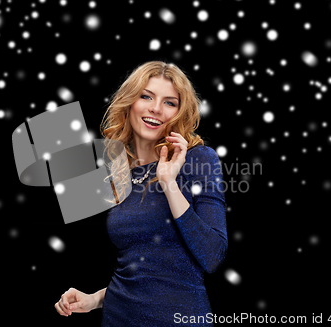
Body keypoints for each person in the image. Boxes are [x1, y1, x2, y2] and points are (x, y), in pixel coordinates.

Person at [54, 61, 228, 326]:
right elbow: (140, 269)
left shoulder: (199, 160)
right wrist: (94, 300)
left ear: (179, 112)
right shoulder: (119, 171)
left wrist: (169, 183)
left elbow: (212, 255)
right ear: (130, 102)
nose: (155, 108)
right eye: (146, 96)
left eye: (169, 102)